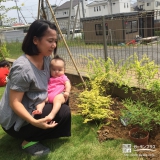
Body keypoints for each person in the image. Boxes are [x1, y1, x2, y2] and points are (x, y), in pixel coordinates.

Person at [0, 20, 71, 156]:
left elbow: (54, 80)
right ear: (35, 40)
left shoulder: (46, 59)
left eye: (55, 41)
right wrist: (34, 122)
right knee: (63, 112)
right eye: (50, 41)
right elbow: (14, 103)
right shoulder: (23, 68)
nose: (54, 45)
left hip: (34, 106)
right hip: (14, 121)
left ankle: (40, 129)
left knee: (63, 99)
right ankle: (28, 140)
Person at [32, 55, 71, 121]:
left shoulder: (63, 77)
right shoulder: (49, 78)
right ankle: (39, 109)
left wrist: (67, 92)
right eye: (54, 69)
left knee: (57, 100)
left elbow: (68, 84)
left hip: (60, 94)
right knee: (41, 99)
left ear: (64, 70)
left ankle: (52, 114)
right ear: (50, 70)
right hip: (49, 95)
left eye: (59, 70)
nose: (57, 71)